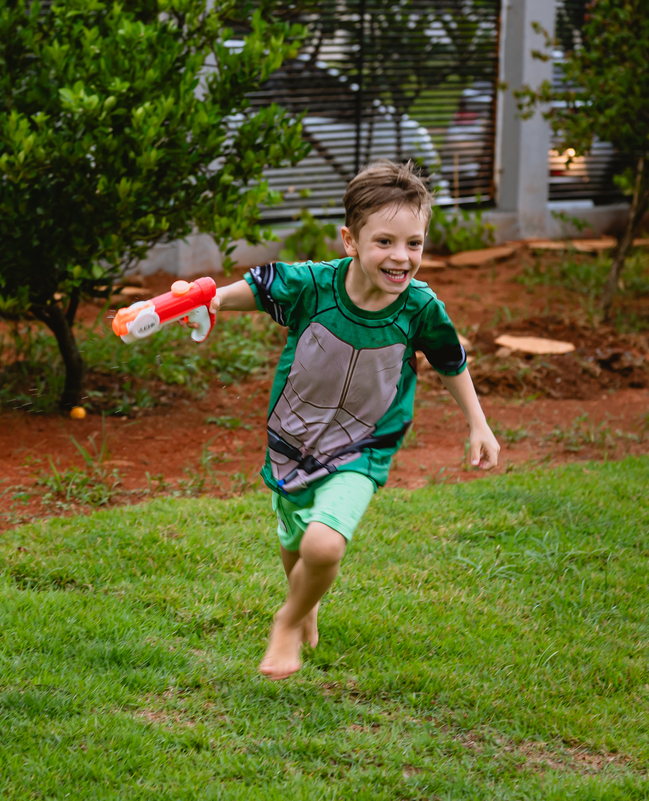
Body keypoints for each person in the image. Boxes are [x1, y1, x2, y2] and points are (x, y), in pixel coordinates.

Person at [196, 159, 501, 680]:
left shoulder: (420, 308)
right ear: (350, 241)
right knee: (296, 544)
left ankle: (287, 622)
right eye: (385, 242)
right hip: (294, 438)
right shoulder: (315, 287)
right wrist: (212, 299)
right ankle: (305, 600)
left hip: (365, 443)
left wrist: (479, 422)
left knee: (323, 542)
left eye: (414, 244)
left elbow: (451, 360)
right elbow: (260, 286)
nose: (401, 257)